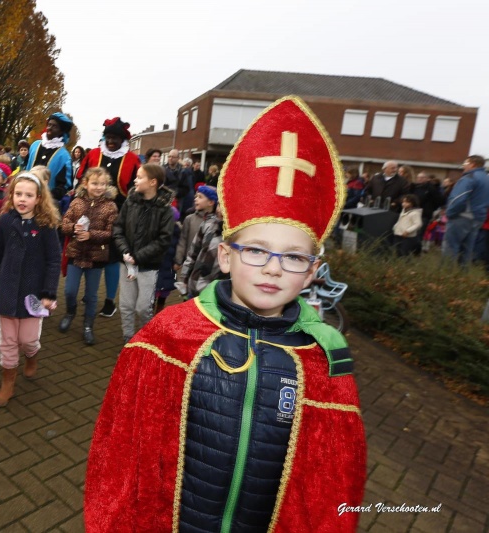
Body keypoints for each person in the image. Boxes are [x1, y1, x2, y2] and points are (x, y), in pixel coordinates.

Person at [85, 96, 366, 532]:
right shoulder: (168, 337)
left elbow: (331, 485)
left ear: (312, 272)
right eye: (256, 250)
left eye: (293, 258)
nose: (273, 267)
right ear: (226, 256)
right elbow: (123, 452)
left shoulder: (324, 358)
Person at [0, 172, 61, 407]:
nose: (22, 199)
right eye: (18, 194)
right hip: (6, 289)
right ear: (11, 195)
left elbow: (54, 260)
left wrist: (48, 292)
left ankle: (32, 355)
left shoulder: (46, 225)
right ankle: (8, 383)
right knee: (7, 341)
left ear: (38, 198)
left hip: (33, 293)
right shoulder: (5, 221)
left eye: (28, 195)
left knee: (27, 339)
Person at [75, 117, 142, 319]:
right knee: (90, 254)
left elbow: (136, 188)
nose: (111, 141)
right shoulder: (94, 154)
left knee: (113, 257)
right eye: (109, 137)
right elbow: (81, 179)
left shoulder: (131, 159)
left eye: (116, 138)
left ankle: (110, 301)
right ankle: (90, 294)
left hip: (119, 213)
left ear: (123, 140)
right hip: (91, 211)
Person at [112, 163, 175, 342]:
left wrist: (137, 257)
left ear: (153, 182)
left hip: (148, 266)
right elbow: (118, 228)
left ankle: (147, 340)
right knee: (126, 305)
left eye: (140, 177)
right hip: (126, 264)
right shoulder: (130, 201)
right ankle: (129, 341)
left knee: (142, 307)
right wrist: (125, 251)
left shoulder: (164, 209)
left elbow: (164, 239)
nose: (135, 180)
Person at [59, 167, 118, 345]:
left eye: (102, 184)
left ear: (106, 185)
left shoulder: (110, 206)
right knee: (69, 290)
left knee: (92, 295)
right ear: (86, 184)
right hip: (75, 253)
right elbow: (64, 223)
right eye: (94, 183)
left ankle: (88, 325)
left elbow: (111, 232)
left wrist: (91, 234)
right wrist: (73, 228)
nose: (98, 187)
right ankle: (70, 312)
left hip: (96, 256)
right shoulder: (76, 202)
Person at [443, 155, 489, 265]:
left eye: (465, 164)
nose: (463, 167)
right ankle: (462, 278)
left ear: (472, 164)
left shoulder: (470, 178)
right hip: (478, 219)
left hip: (462, 217)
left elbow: (459, 199)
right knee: (467, 251)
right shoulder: (487, 179)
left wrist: (449, 213)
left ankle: (444, 277)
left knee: (450, 248)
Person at [24, 112, 73, 201]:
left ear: (61, 131)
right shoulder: (34, 145)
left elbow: (64, 186)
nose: (49, 128)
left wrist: (46, 195)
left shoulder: (64, 157)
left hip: (46, 202)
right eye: (49, 124)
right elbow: (24, 168)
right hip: (25, 196)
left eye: (55, 126)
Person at [173, 185, 217, 276]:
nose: (196, 199)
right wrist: (178, 260)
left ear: (211, 202)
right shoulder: (190, 219)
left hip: (207, 267)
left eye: (200, 197)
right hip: (189, 264)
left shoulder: (217, 222)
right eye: (196, 196)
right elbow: (183, 240)